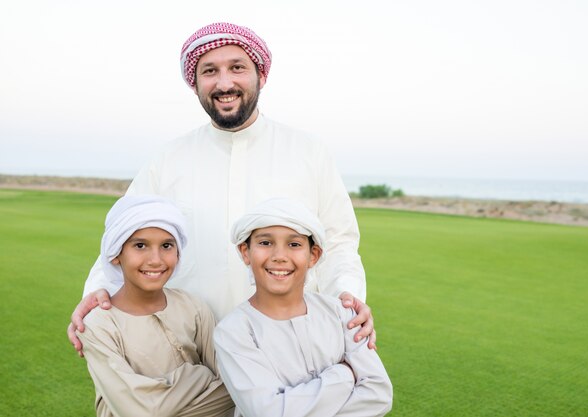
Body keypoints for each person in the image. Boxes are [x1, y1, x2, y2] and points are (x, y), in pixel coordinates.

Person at [69, 21, 375, 353]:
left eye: (237, 68)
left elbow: (340, 243)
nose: (224, 82)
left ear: (260, 75)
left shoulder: (308, 152)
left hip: (291, 347)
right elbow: (123, 238)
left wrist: (348, 296)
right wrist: (96, 292)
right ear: (195, 83)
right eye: (210, 71)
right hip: (187, 347)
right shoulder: (167, 159)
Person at [214, 198, 392, 417]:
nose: (279, 256)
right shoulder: (233, 331)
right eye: (265, 243)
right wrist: (345, 373)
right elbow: (268, 412)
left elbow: (379, 395)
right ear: (245, 252)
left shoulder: (341, 313)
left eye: (294, 244)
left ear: (313, 255)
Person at [77, 195, 235, 417]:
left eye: (167, 246)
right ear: (115, 254)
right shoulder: (99, 325)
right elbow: (138, 411)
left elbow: (232, 388)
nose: (155, 259)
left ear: (178, 252)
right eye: (140, 245)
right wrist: (198, 374)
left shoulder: (194, 308)